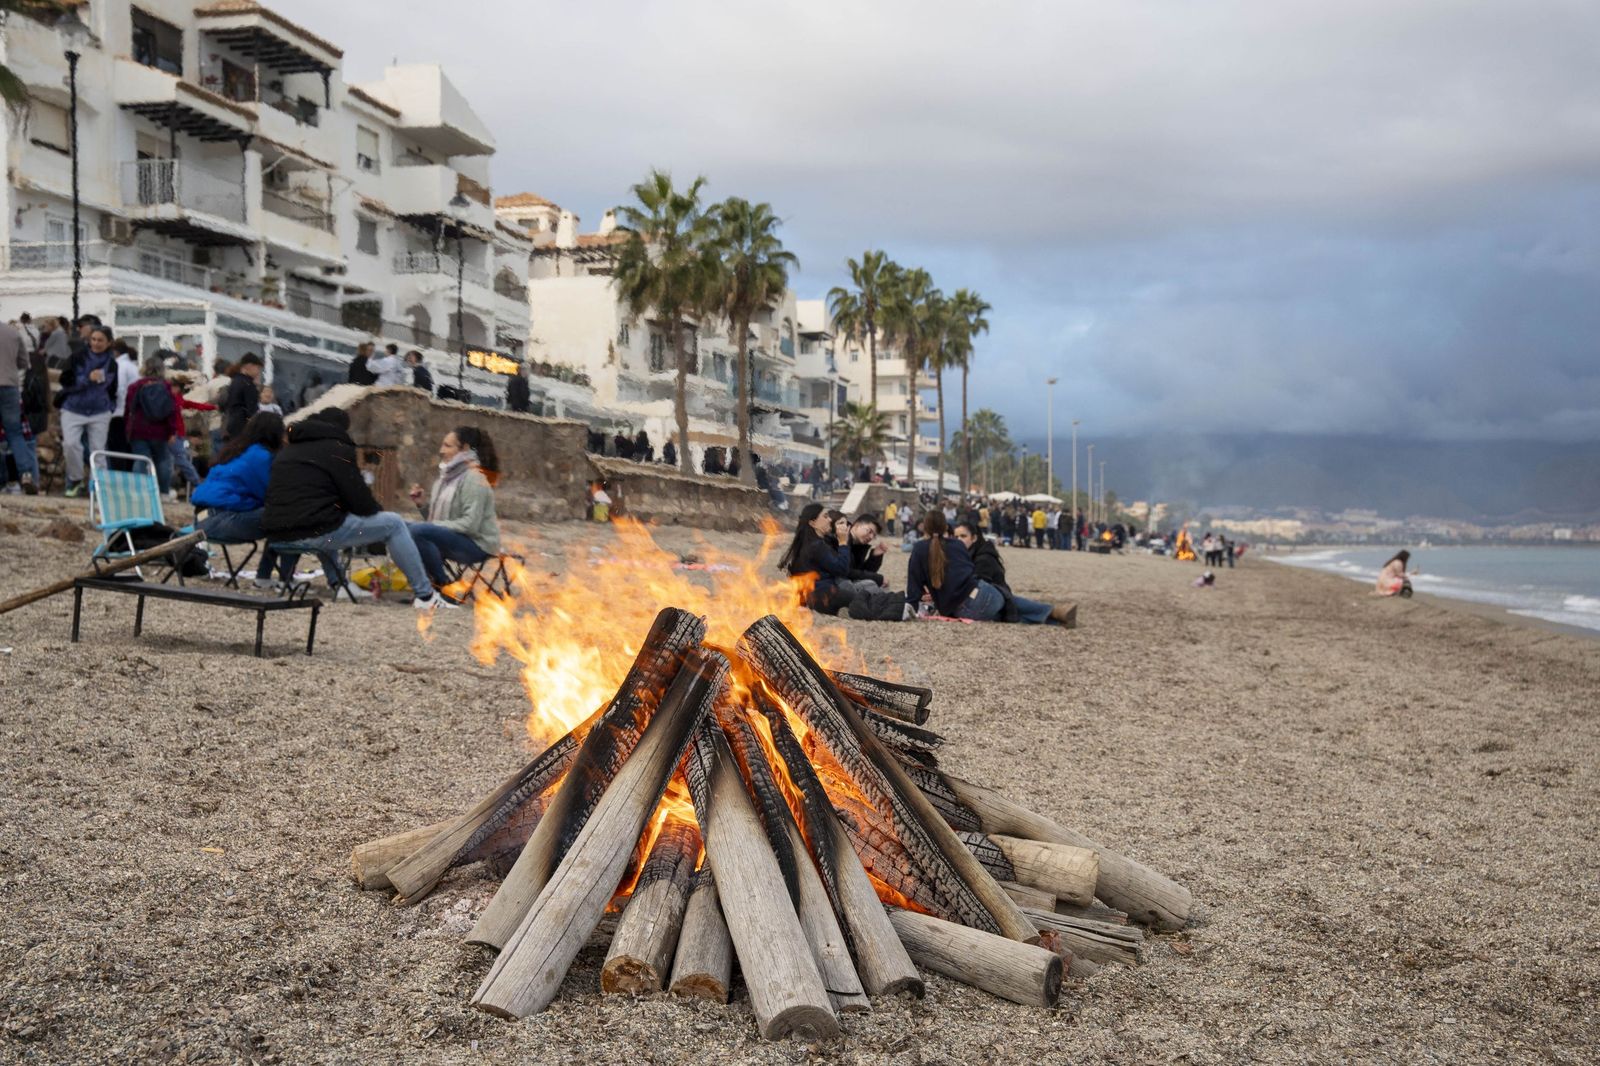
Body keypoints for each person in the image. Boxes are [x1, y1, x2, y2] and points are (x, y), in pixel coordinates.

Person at [261, 408, 451, 610]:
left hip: (277, 538)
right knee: (393, 523)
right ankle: (425, 595)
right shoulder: (337, 449)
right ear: (342, 428)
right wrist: (374, 514)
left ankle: (339, 584)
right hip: (312, 533)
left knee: (325, 520)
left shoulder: (287, 452)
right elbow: (362, 503)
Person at [191, 411, 320, 590]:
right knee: (290, 517)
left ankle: (264, 579)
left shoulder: (235, 450)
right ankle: (285, 580)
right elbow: (273, 495)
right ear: (274, 433)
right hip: (223, 520)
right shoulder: (261, 456)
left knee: (277, 520)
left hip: (203, 519)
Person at [406, 426, 501, 598]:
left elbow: (470, 525)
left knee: (417, 530)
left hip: (477, 545)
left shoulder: (474, 478)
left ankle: (442, 586)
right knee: (401, 526)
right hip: (457, 538)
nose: (441, 450)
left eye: (448, 446)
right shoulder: (446, 478)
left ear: (464, 449)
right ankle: (423, 583)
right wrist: (422, 505)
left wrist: (431, 525)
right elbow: (440, 524)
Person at [955, 521, 1076, 625]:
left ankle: (1053, 611)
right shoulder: (969, 554)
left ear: (974, 538)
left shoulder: (984, 557)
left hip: (996, 595)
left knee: (1006, 611)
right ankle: (1057, 619)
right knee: (1007, 617)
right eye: (956, 537)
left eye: (963, 536)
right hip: (993, 599)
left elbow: (981, 587)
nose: (959, 540)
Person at [904, 510, 1003, 621]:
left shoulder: (920, 548)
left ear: (925, 528)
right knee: (1013, 610)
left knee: (1003, 614)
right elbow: (970, 570)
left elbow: (914, 584)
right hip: (987, 591)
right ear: (946, 527)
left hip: (964, 606)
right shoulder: (957, 544)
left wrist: (911, 606)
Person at [59, 324, 121, 497]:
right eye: (93, 339)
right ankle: (75, 478)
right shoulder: (77, 357)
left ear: (109, 343)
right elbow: (66, 381)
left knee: (98, 450)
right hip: (73, 408)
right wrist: (87, 378)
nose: (96, 343)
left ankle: (97, 487)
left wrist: (110, 407)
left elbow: (113, 388)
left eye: (100, 340)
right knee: (70, 444)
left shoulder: (112, 364)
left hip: (99, 411)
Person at [779, 503, 863, 614]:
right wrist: (843, 543)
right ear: (813, 523)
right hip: (823, 596)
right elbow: (842, 569)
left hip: (816, 596)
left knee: (864, 589)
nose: (829, 520)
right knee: (862, 596)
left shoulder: (809, 543)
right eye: (825, 516)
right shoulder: (816, 545)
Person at [123, 355, 185, 496]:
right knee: (162, 462)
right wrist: (171, 431)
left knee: (140, 461)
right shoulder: (166, 387)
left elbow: (128, 409)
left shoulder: (135, 387)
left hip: (138, 430)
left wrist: (128, 428)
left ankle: (137, 492)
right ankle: (163, 492)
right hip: (161, 431)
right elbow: (172, 410)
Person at [0, 316, 39, 494]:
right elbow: (24, 363)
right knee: (15, 434)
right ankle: (25, 474)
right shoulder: (12, 332)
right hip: (9, 387)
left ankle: (3, 479)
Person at [221, 353, 263, 441]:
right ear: (249, 366)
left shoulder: (234, 381)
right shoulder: (247, 384)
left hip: (229, 426)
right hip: (243, 428)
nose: (259, 372)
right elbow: (252, 411)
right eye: (258, 368)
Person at [845, 514, 889, 586]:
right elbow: (846, 571)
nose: (871, 537)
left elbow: (860, 572)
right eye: (869, 531)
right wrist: (877, 578)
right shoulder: (841, 538)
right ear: (857, 525)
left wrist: (875, 557)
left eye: (874, 535)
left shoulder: (858, 545)